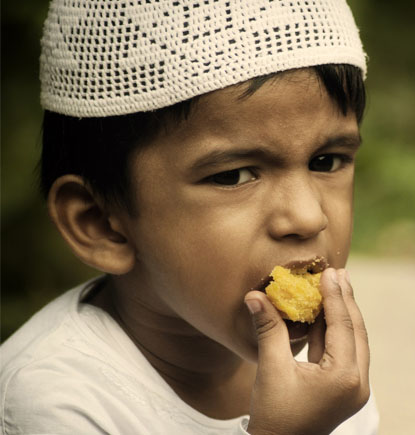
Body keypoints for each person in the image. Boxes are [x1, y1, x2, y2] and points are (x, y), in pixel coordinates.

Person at [0, 0, 378, 433]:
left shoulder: (327, 376)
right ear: (101, 224)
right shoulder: (49, 405)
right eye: (233, 176)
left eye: (327, 161)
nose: (309, 218)